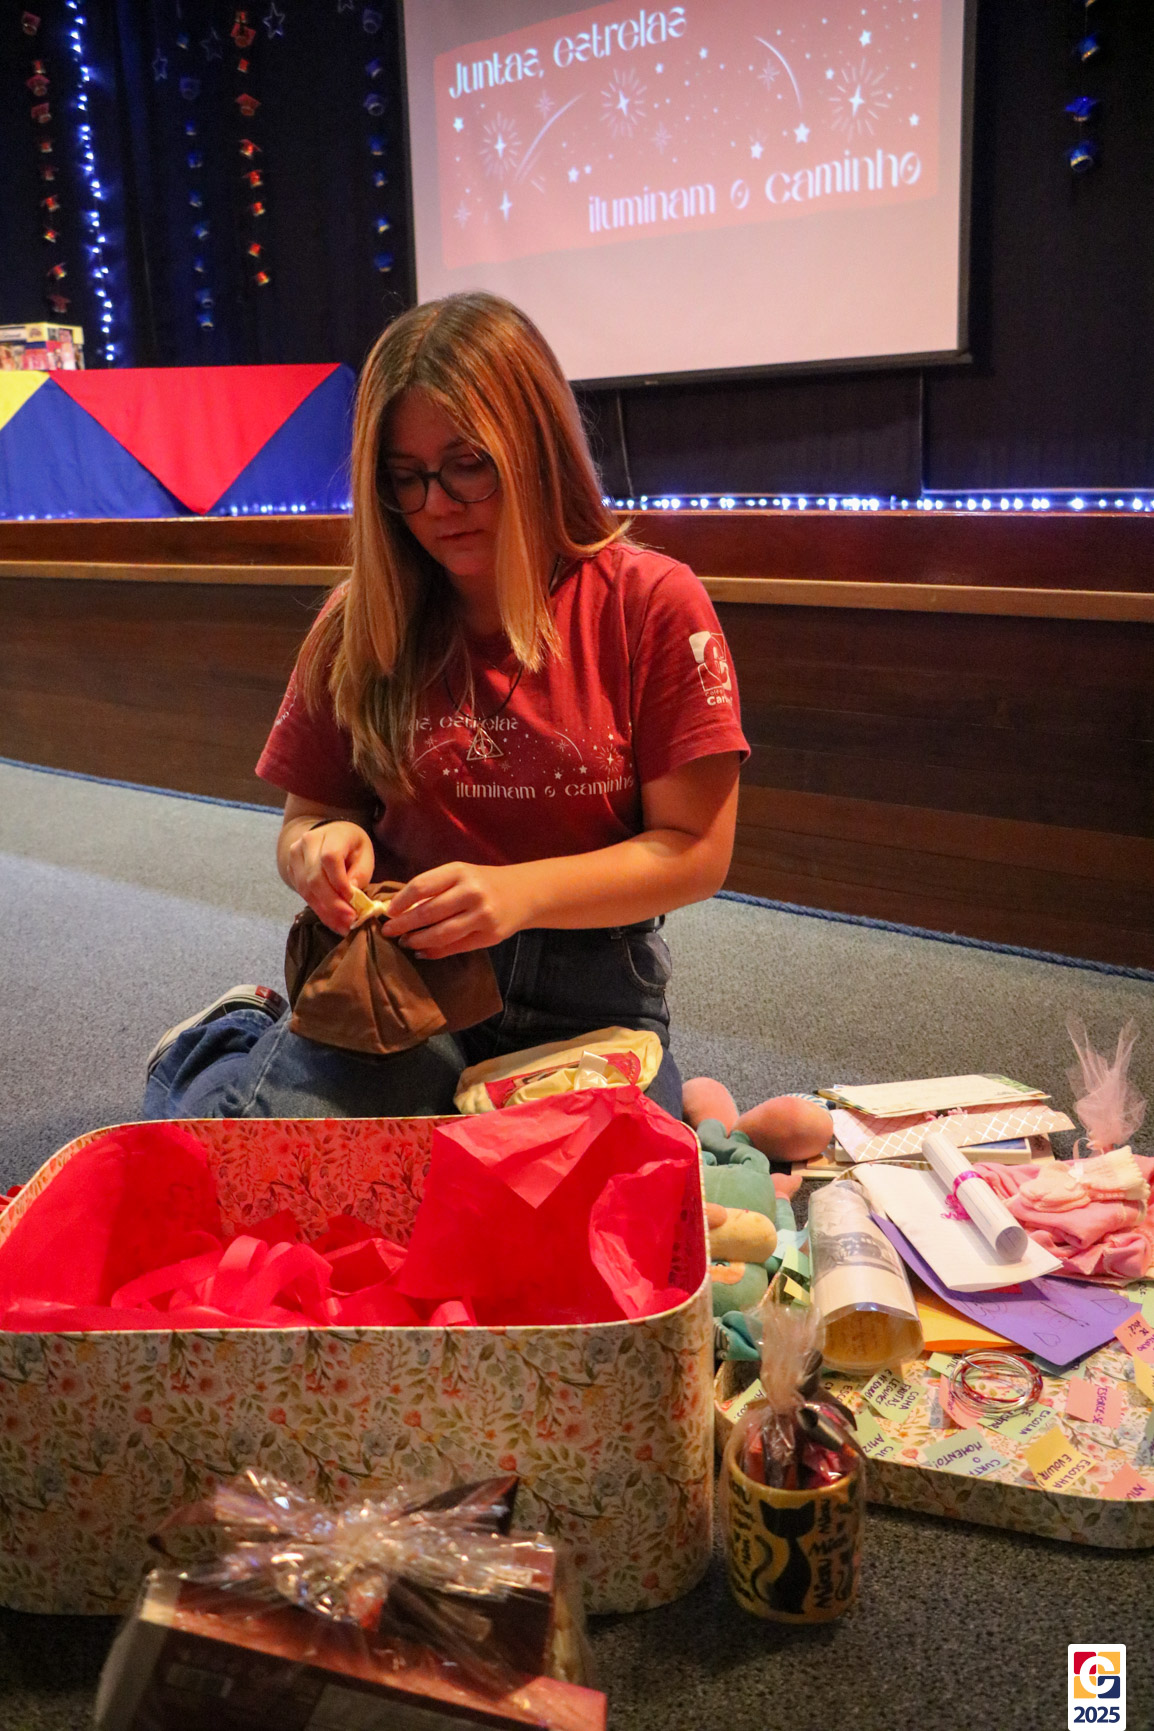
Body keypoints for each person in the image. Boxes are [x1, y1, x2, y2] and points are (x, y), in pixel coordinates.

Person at [144, 291, 748, 1124]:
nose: (434, 504)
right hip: (400, 974)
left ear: (536, 447)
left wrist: (518, 895)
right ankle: (224, 1040)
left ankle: (260, 1044)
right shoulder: (360, 621)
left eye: (468, 464)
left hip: (589, 989)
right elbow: (303, 823)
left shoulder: (651, 602)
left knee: (576, 1198)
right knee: (272, 1171)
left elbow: (695, 852)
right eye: (406, 477)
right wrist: (319, 851)